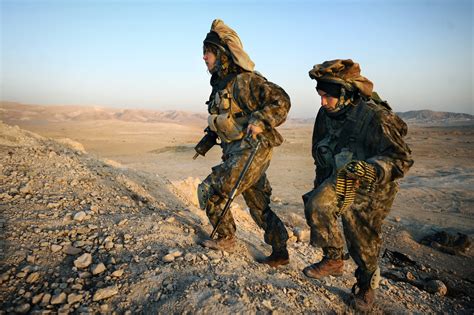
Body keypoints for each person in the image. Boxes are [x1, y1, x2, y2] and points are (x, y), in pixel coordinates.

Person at [302, 59, 413, 311]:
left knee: (362, 240)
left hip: (373, 186)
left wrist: (371, 168)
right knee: (316, 204)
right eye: (320, 96)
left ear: (345, 93)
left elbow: (401, 158)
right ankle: (333, 259)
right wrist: (320, 185)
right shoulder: (326, 115)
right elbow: (321, 153)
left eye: (327, 97)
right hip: (342, 177)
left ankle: (365, 288)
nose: (322, 102)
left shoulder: (375, 117)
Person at [196, 19, 291, 267]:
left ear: (221, 54)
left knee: (212, 191)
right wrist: (209, 137)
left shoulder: (245, 81)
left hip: (252, 150)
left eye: (208, 52)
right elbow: (226, 118)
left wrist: (260, 120)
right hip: (236, 153)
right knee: (258, 204)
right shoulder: (219, 87)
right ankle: (280, 252)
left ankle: (226, 238)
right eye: (203, 52)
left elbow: (281, 100)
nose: (204, 58)